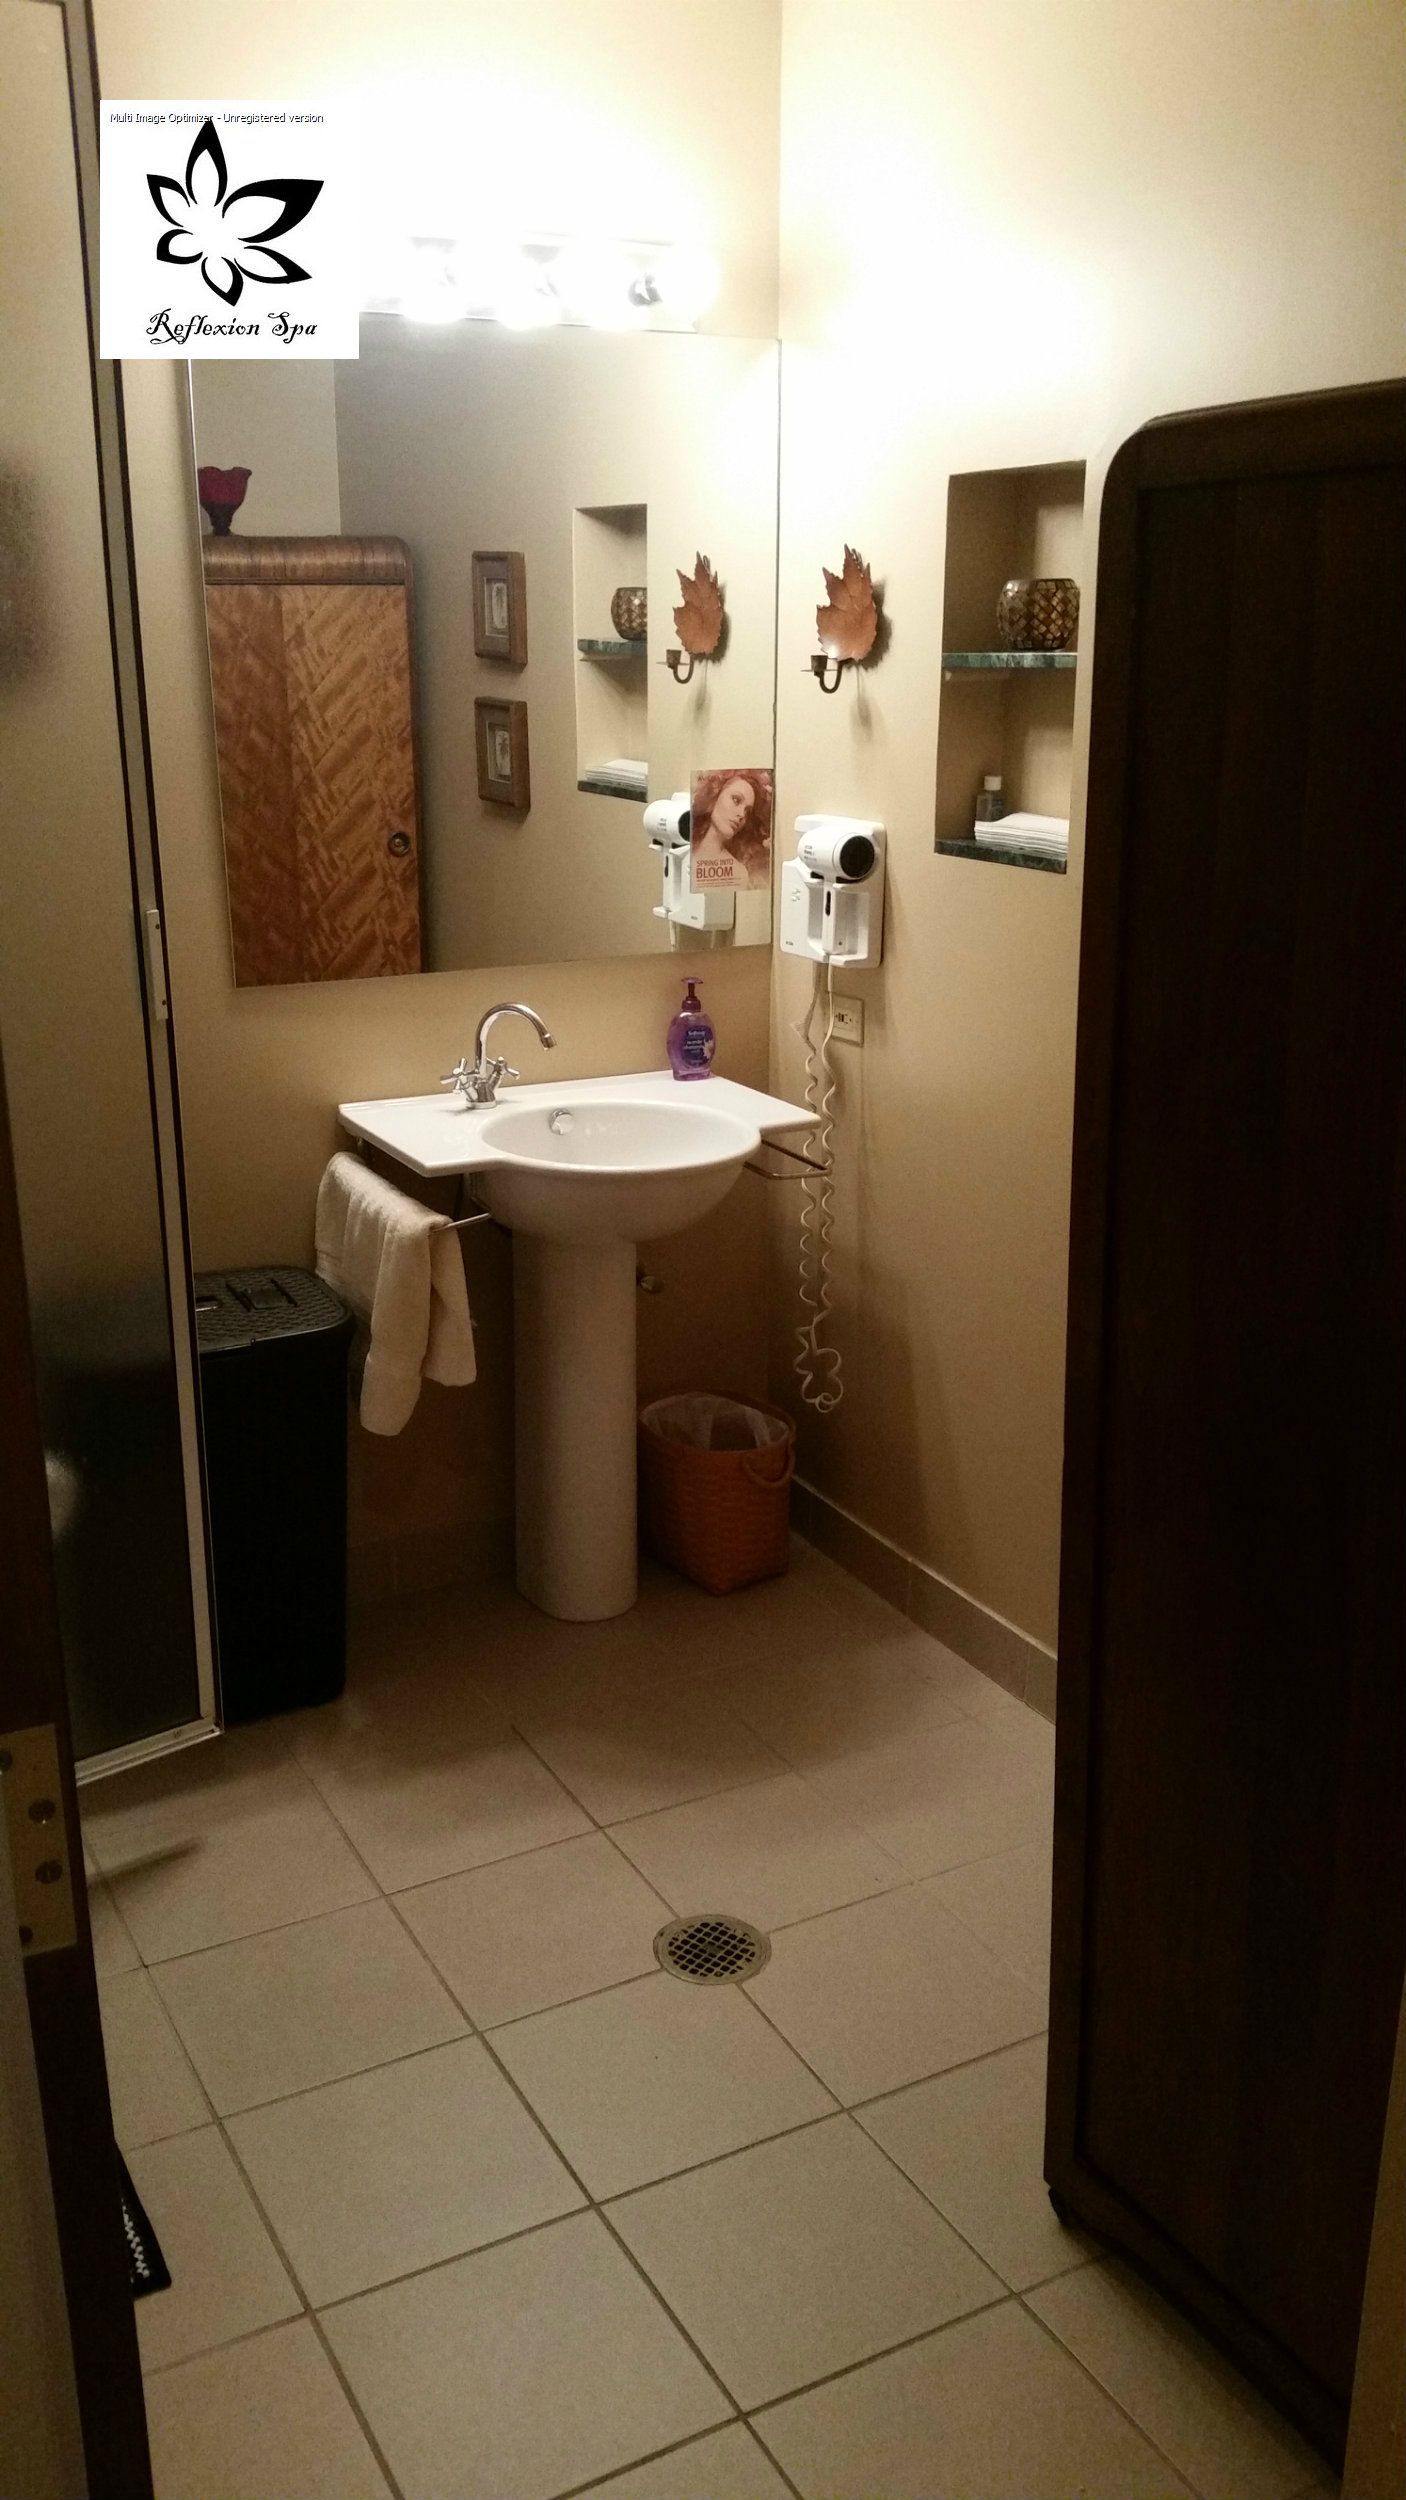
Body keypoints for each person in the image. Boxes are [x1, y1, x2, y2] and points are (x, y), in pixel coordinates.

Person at [690, 769, 772, 890]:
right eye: (736, 800)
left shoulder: (738, 873)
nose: (741, 815)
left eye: (747, 811)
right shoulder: (683, 847)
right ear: (715, 794)